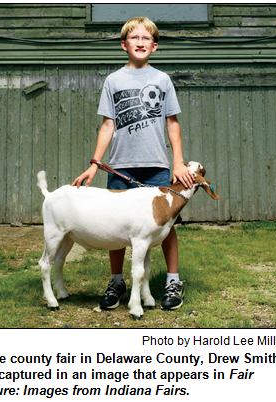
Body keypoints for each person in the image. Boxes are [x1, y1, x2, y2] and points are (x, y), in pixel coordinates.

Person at [72, 16, 195, 311]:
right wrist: (94, 163)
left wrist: (177, 162)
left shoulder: (162, 80)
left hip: (156, 167)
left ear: (154, 46)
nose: (140, 42)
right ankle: (117, 281)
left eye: (146, 38)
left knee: (166, 227)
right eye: (134, 38)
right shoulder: (113, 81)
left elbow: (172, 124)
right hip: (121, 166)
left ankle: (172, 281)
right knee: (116, 226)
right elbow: (107, 126)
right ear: (124, 44)